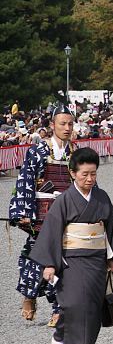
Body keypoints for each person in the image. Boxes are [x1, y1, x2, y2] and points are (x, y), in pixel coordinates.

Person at [30, 147, 113, 344]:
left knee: (91, 306)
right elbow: (52, 231)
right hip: (70, 258)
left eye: (93, 173)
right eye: (84, 174)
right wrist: (49, 264)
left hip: (95, 258)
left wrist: (111, 257)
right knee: (73, 303)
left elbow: (110, 226)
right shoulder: (64, 200)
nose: (90, 178)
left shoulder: (101, 197)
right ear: (73, 173)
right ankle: (59, 335)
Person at [8, 105, 75, 325]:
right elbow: (25, 181)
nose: (67, 128)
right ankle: (29, 295)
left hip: (67, 212)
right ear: (52, 125)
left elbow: (85, 183)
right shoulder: (38, 150)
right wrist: (23, 211)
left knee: (65, 260)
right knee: (37, 257)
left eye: (70, 124)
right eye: (62, 124)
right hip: (41, 212)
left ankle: (59, 308)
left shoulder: (75, 152)